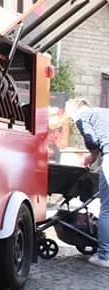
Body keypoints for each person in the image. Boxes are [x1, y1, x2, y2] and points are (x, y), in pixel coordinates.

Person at [64, 97, 109, 267]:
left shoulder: (82, 116)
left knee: (107, 209)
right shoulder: (102, 113)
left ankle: (105, 256)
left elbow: (92, 142)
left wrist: (90, 157)